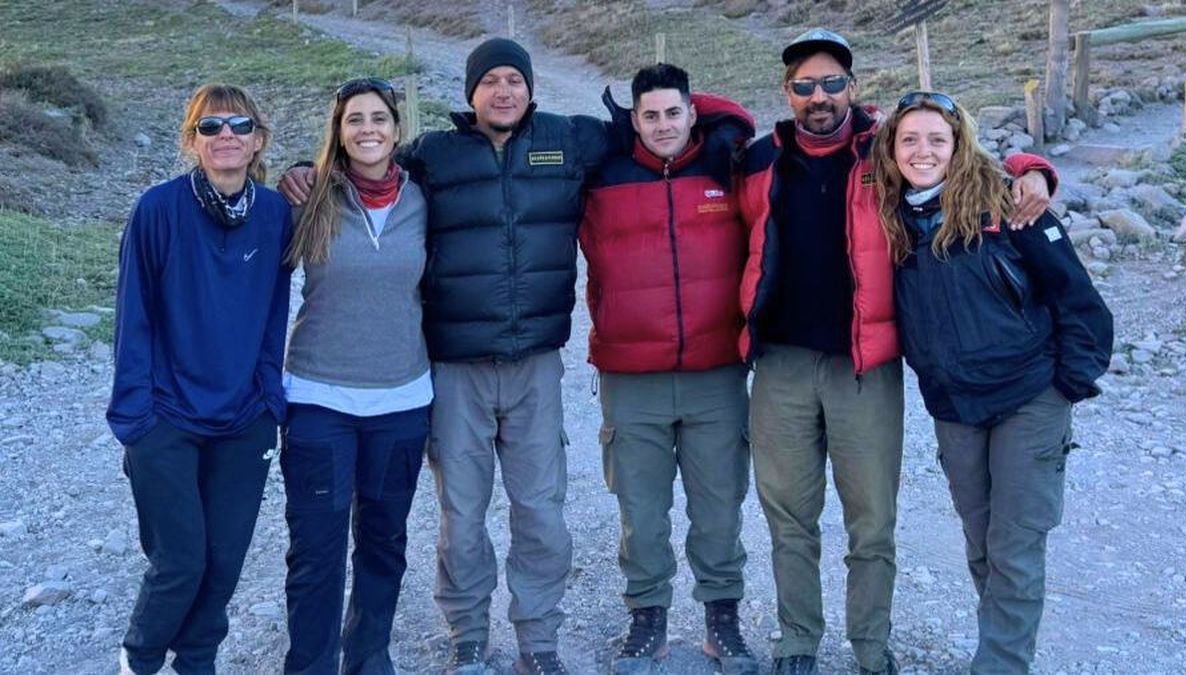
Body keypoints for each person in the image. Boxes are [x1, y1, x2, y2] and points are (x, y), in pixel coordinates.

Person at [279, 38, 632, 675]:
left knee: (541, 510)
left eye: (515, 80)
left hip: (535, 365)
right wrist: (304, 167)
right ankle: (467, 632)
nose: (504, 91)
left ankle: (539, 637)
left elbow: (653, 129)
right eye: (490, 79)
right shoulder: (433, 157)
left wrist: (719, 125)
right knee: (461, 516)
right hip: (454, 368)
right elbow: (365, 159)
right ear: (470, 93)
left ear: (530, 88)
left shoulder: (570, 140)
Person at [737, 28, 1057, 675]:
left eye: (831, 83)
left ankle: (871, 648)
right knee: (789, 518)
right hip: (781, 365)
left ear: (852, 89)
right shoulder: (755, 161)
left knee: (872, 522)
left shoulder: (885, 150)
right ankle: (798, 640)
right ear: (788, 93)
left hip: (867, 366)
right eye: (805, 85)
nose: (819, 96)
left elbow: (960, 156)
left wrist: (1034, 172)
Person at [872, 91, 1112, 674]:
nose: (923, 151)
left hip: (1030, 399)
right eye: (910, 139)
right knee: (982, 544)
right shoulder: (889, 217)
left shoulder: (1008, 204)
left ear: (960, 144)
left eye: (937, 138)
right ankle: (1001, 649)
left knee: (1016, 546)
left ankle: (1000, 665)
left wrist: (1066, 387)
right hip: (955, 407)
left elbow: (1082, 304)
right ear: (891, 150)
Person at [108, 83, 292, 675]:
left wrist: (270, 400)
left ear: (258, 140)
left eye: (238, 125)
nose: (226, 136)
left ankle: (196, 661)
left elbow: (273, 312)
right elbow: (132, 317)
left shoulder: (274, 214)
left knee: (225, 561)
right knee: (180, 560)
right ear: (193, 142)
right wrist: (135, 421)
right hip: (165, 417)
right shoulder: (157, 210)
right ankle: (137, 659)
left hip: (245, 418)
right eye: (210, 128)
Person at [579, 64, 757, 674]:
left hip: (716, 372)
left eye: (674, 113)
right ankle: (646, 620)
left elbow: (743, 117)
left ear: (692, 113)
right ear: (632, 119)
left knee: (719, 506)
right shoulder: (599, 171)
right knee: (641, 511)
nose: (662, 125)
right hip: (630, 375)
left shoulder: (728, 165)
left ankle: (722, 622)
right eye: (648, 115)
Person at [280, 77, 431, 675]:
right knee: (316, 549)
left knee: (384, 542)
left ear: (397, 130)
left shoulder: (424, 198)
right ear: (338, 134)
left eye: (379, 119)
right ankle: (310, 664)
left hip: (401, 400)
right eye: (354, 120)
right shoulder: (307, 197)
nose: (367, 129)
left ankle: (369, 657)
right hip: (320, 399)